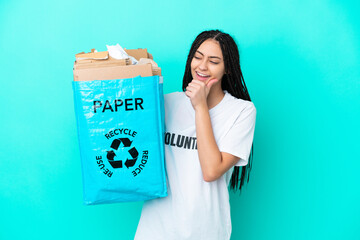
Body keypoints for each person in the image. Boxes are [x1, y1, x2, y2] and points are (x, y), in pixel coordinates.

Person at [135, 30, 256, 240]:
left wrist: (200, 107)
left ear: (228, 68)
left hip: (205, 232)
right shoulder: (166, 103)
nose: (202, 66)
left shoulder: (241, 111)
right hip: (155, 230)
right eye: (198, 57)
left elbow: (211, 170)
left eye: (213, 61)